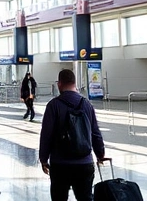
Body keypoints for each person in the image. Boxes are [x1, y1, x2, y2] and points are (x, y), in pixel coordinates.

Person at [39, 69, 108, 201]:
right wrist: (100, 154)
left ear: (59, 84)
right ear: (74, 83)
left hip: (60, 164)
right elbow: (95, 133)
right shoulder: (87, 104)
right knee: (85, 198)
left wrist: (43, 158)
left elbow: (46, 135)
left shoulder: (53, 106)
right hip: (84, 163)